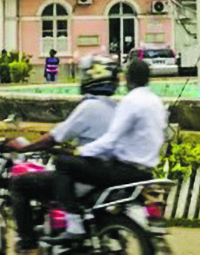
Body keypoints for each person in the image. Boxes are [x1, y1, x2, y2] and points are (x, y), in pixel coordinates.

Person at [1, 56, 118, 255]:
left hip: (85, 178)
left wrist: (22, 148)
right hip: (106, 174)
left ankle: (29, 247)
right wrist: (64, 151)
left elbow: (53, 137)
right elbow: (92, 145)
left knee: (19, 184)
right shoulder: (116, 108)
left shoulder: (88, 107)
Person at [50, 58, 167, 241]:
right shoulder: (156, 102)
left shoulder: (130, 101)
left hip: (123, 171)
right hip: (147, 172)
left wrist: (79, 151)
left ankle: (74, 224)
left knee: (63, 164)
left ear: (128, 78)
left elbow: (110, 140)